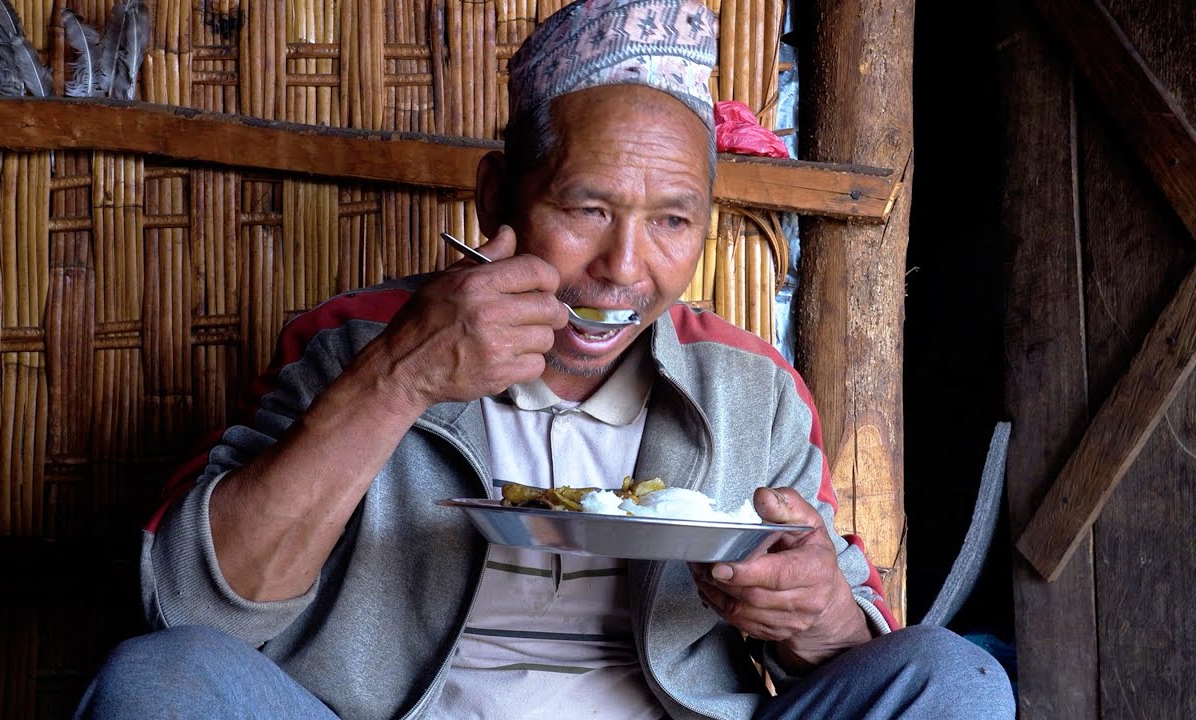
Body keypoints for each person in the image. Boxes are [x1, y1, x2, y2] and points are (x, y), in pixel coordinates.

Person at [77, 1, 1015, 718]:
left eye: (672, 222)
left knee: (952, 679)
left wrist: (818, 614)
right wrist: (401, 377)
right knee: (160, 681)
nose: (624, 268)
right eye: (587, 208)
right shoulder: (353, 343)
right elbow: (190, 607)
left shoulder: (750, 390)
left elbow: (850, 648)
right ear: (498, 195)